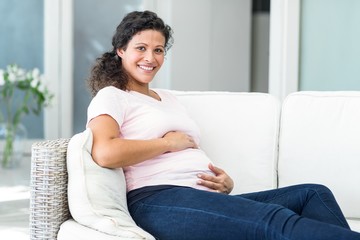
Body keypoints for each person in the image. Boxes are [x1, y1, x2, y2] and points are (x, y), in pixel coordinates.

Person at [86, 10, 360, 240]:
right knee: (275, 220)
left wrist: (224, 184)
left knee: (312, 194)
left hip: (204, 199)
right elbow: (105, 153)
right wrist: (167, 143)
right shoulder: (112, 96)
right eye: (141, 48)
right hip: (158, 200)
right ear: (121, 50)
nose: (150, 58)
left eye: (158, 50)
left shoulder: (167, 99)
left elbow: (188, 154)